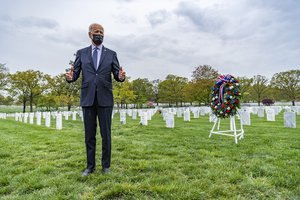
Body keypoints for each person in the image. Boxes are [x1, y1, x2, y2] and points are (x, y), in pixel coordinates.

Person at [65, 23, 126, 177]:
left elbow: (118, 75)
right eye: (96, 32)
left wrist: (121, 77)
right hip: (88, 98)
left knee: (106, 135)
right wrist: (71, 78)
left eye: (102, 32)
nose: (99, 34)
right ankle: (90, 167)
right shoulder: (81, 53)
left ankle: (106, 166)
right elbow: (75, 73)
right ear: (89, 34)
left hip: (105, 99)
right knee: (89, 135)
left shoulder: (111, 54)